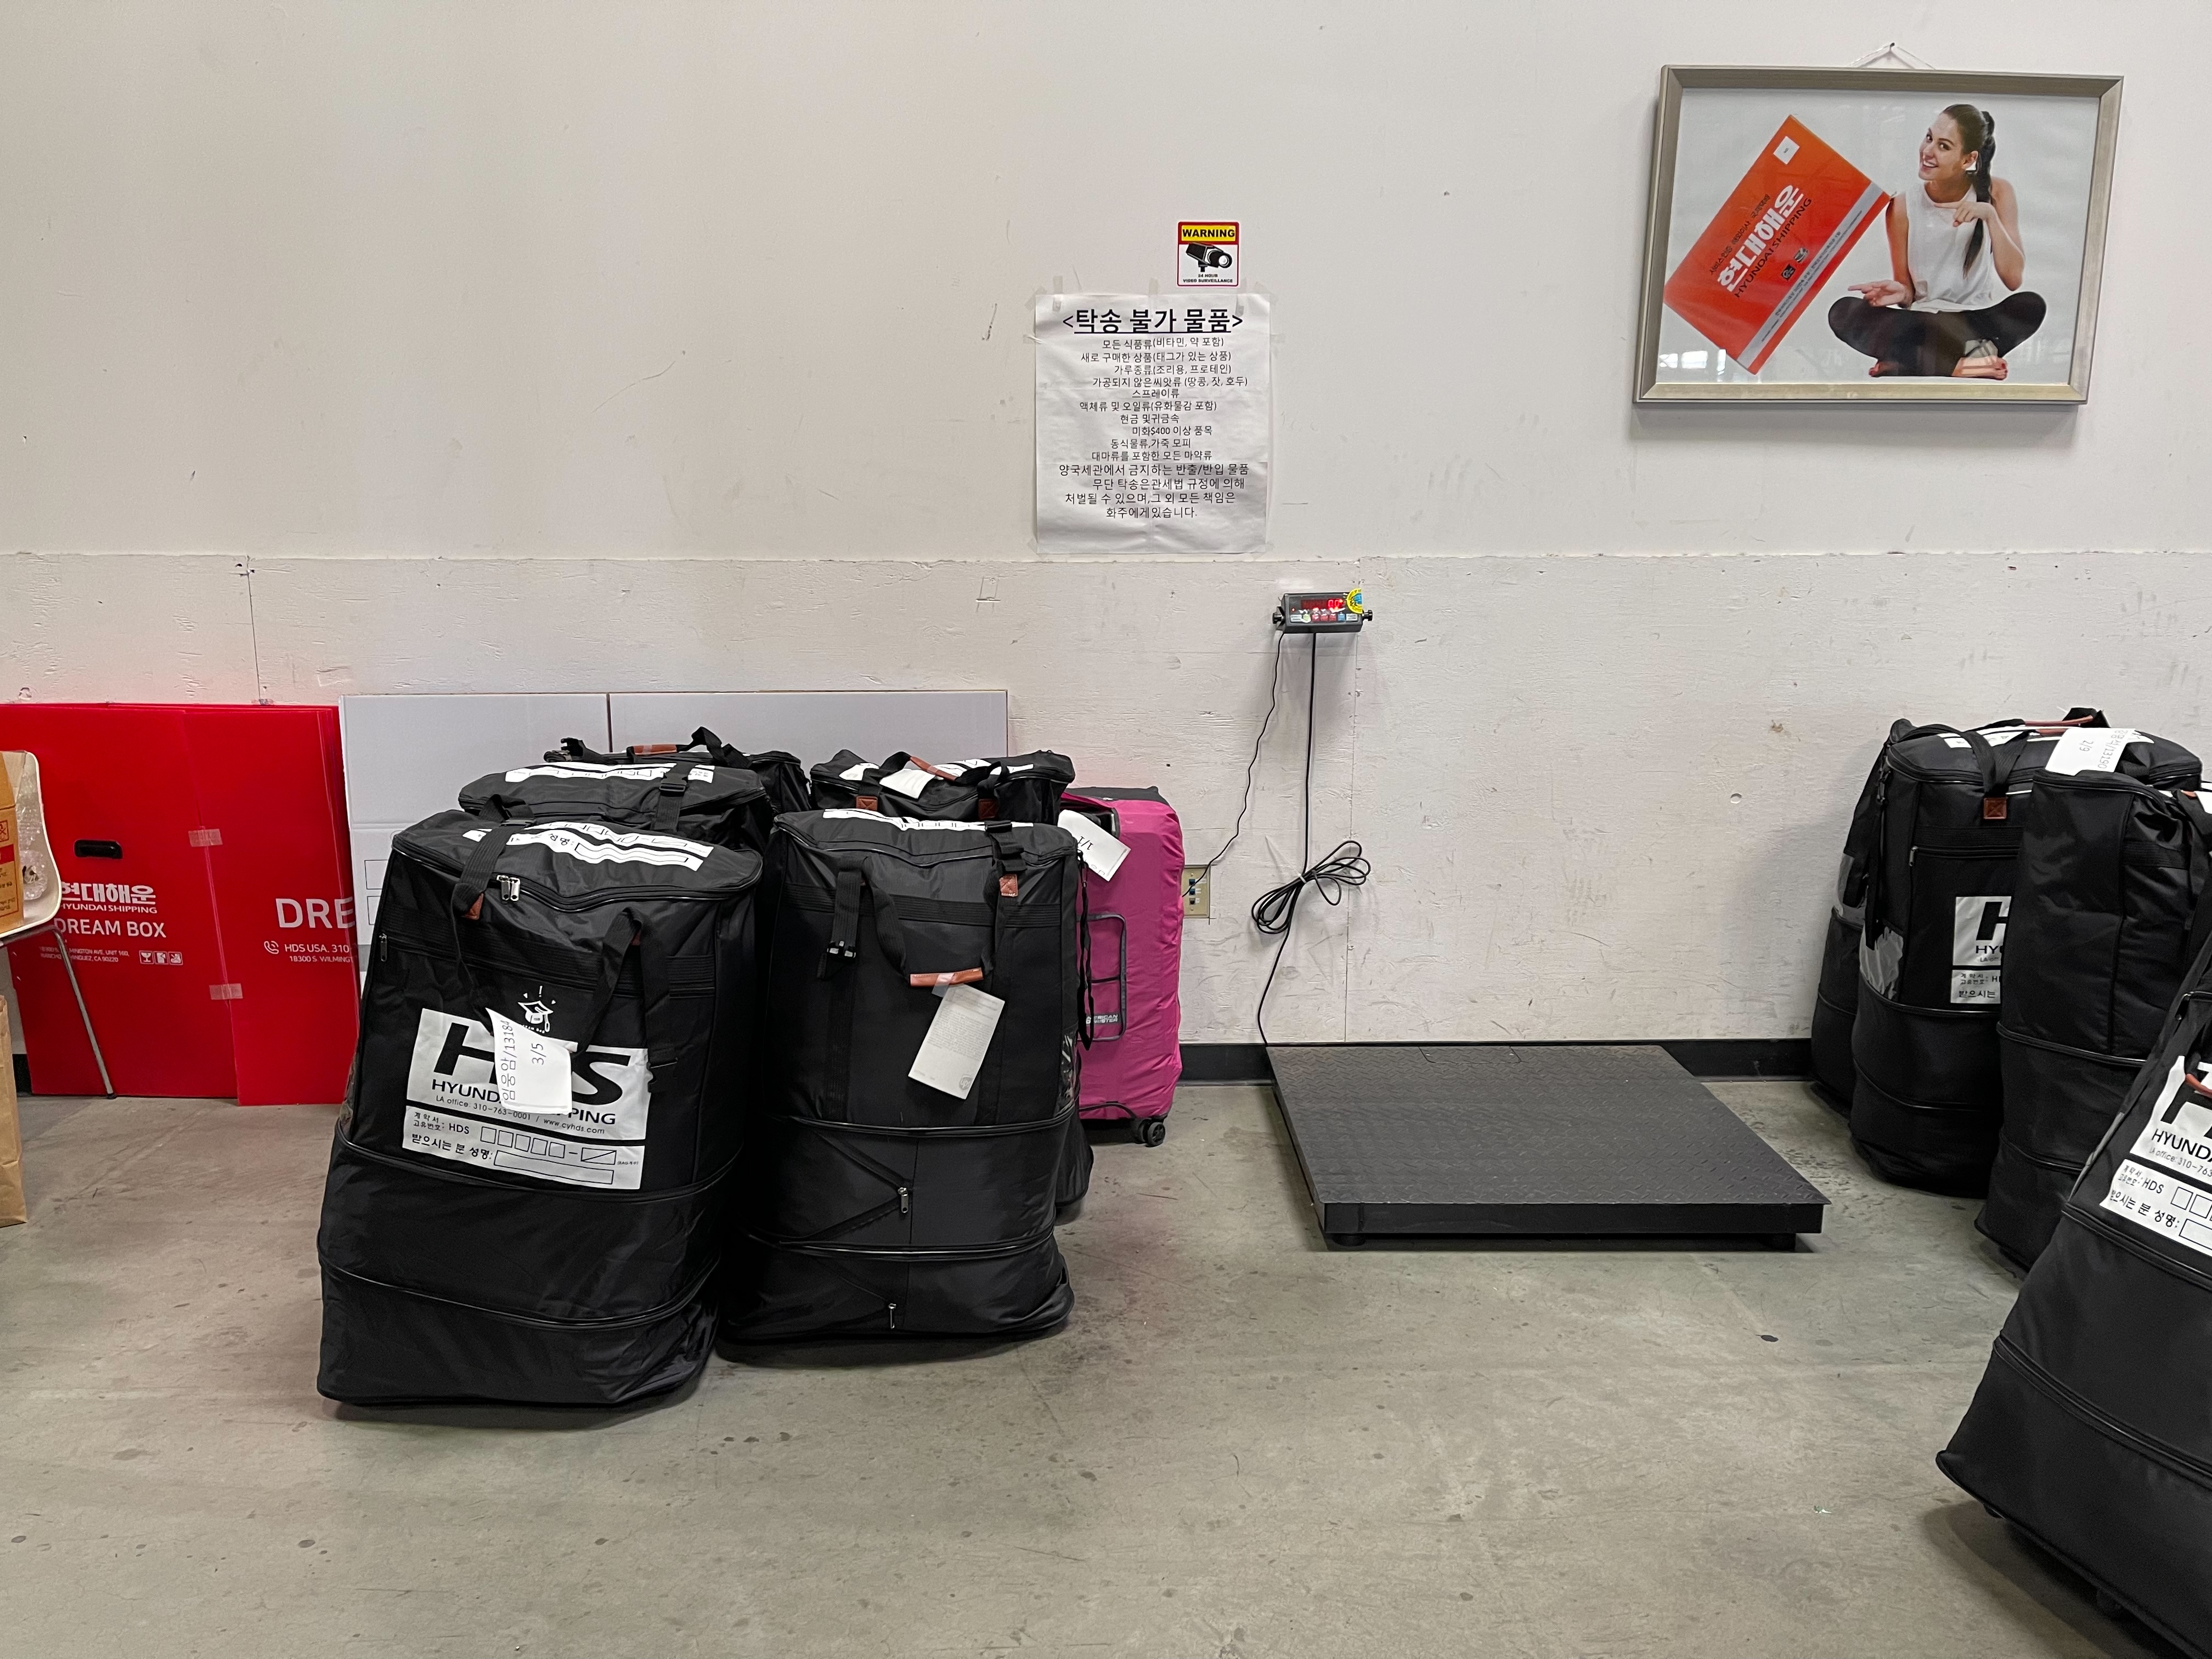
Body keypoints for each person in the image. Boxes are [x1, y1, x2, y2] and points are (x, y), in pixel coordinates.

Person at [1827, 105, 2046, 379]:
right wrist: (1899, 293)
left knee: (2031, 305)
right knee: (1843, 312)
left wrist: (1990, 215)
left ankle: (1909, 363)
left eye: (1944, 146)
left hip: (1974, 322)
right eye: (1929, 138)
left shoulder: (1998, 191)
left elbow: (2013, 279)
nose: (1928, 151)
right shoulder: (1901, 206)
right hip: (1923, 322)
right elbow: (1908, 293)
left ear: (1968, 159)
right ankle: (1962, 365)